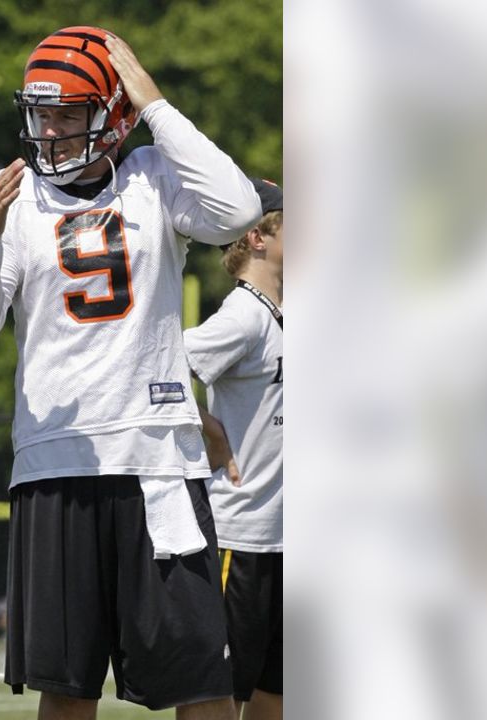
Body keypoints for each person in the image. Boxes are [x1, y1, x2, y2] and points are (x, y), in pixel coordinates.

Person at [0, 27, 261, 720]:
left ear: (112, 116)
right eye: (41, 112)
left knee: (202, 681)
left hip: (158, 460)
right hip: (55, 460)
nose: (50, 130)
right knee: (69, 686)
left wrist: (151, 100)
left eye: (69, 113)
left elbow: (237, 208)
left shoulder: (153, 174)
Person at [184, 178, 283, 720]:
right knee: (225, 693)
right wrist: (214, 435)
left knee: (278, 692)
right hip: (241, 538)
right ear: (259, 237)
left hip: (290, 538)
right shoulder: (244, 316)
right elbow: (163, 366)